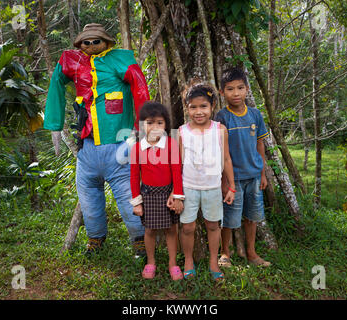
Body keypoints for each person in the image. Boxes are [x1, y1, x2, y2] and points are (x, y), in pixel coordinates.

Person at [43, 23, 150, 257]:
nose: (91, 46)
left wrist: (142, 126)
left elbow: (139, 85)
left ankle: (140, 239)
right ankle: (95, 237)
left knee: (128, 196)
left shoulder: (119, 60)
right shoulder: (74, 62)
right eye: (86, 42)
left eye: (96, 42)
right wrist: (54, 124)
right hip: (88, 147)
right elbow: (56, 82)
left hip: (119, 146)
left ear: (107, 42)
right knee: (89, 196)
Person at [214, 67, 271, 267]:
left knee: (253, 217)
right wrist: (224, 180)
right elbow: (220, 152)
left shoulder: (255, 115)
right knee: (229, 218)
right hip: (233, 179)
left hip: (254, 176)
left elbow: (260, 144)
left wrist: (263, 174)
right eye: (230, 89)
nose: (235, 93)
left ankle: (252, 253)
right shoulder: (222, 117)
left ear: (247, 89)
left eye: (240, 88)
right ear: (222, 92)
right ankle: (225, 253)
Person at [178, 83, 236, 281]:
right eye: (193, 107)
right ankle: (188, 260)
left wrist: (231, 186)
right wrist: (175, 192)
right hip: (188, 187)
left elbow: (227, 159)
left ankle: (213, 261)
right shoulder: (182, 131)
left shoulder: (220, 130)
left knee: (213, 225)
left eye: (203, 106)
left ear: (212, 106)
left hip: (212, 188)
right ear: (187, 108)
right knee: (187, 227)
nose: (198, 111)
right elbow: (177, 164)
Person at [130, 102, 185, 280]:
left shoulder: (171, 144)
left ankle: (172, 263)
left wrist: (177, 197)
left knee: (171, 229)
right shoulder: (137, 148)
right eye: (150, 122)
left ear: (166, 125)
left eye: (160, 123)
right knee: (150, 230)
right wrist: (137, 202)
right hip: (148, 195)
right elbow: (133, 178)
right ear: (142, 125)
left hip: (168, 194)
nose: (155, 127)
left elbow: (177, 171)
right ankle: (151, 262)